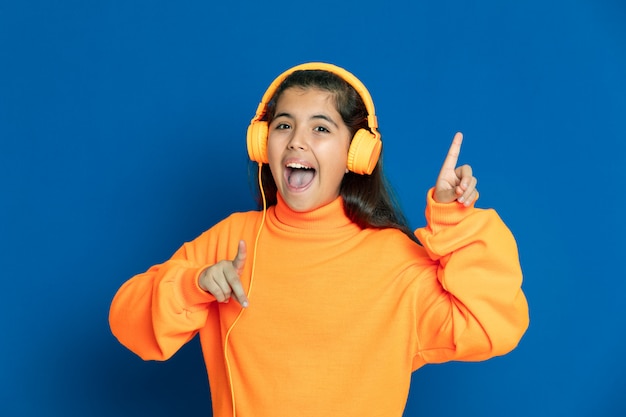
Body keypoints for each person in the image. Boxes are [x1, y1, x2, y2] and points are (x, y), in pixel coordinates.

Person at [109, 62, 529, 417]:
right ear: (263, 142)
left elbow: (492, 326)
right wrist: (193, 285)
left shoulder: (394, 261)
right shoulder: (232, 240)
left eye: (321, 128)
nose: (297, 141)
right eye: (284, 125)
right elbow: (128, 325)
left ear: (356, 154)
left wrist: (452, 218)